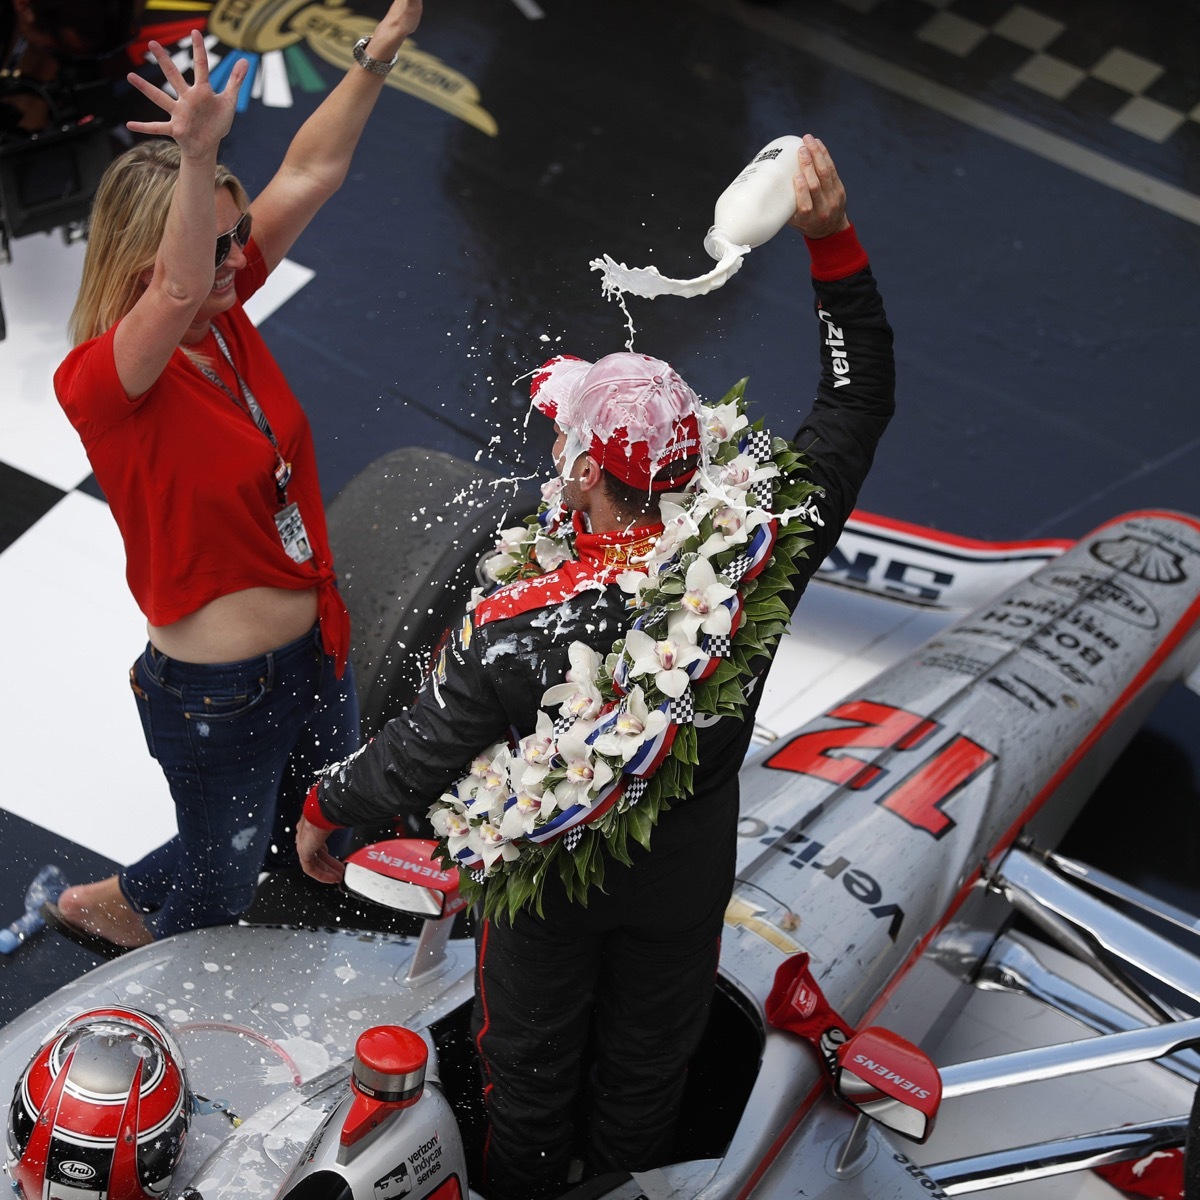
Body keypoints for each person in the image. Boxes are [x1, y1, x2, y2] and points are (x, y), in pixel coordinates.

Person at [297, 135, 895, 1199]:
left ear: (581, 475)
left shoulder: (524, 634)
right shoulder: (757, 549)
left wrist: (326, 807)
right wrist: (832, 239)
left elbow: (419, 751)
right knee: (646, 1070)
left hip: (547, 898)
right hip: (684, 874)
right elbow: (858, 400)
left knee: (525, 1078)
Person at [46, 0, 423, 955]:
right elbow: (176, 287)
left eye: (237, 235)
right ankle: (144, 962)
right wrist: (201, 155)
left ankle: (120, 896)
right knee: (225, 882)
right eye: (213, 242)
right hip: (217, 691)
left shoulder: (222, 308)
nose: (235, 258)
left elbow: (310, 169)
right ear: (147, 254)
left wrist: (377, 55)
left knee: (283, 820)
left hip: (311, 647)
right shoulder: (106, 379)